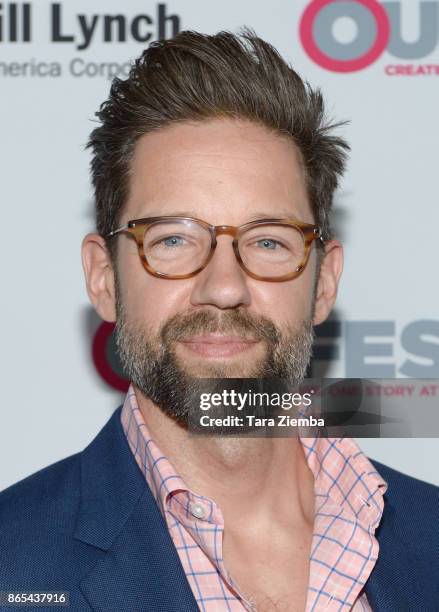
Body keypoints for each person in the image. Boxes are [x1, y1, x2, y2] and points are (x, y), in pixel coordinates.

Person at [0, 29, 438, 612]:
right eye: (174, 239)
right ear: (103, 278)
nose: (225, 287)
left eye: (269, 242)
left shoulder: (429, 538)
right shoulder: (15, 564)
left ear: (324, 283)